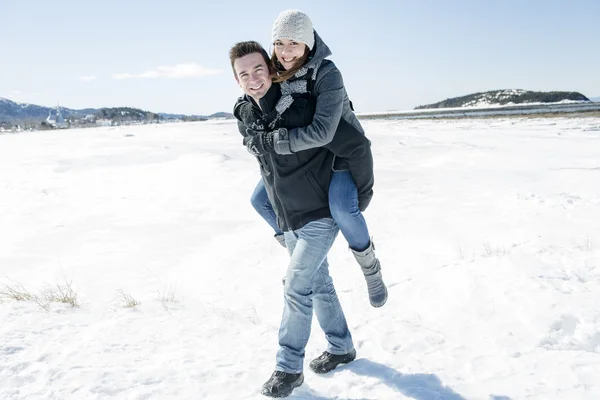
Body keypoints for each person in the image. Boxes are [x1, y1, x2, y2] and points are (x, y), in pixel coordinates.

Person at [230, 41, 365, 398]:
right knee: (318, 283)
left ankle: (288, 369)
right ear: (236, 80)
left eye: (259, 69)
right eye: (243, 74)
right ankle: (342, 347)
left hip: (320, 211)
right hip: (289, 216)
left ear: (271, 69)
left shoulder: (299, 105)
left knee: (295, 285)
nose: (253, 78)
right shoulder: (246, 113)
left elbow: (334, 132)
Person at [248, 9, 387, 308]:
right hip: (302, 159)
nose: (285, 52)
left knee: (342, 208)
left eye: (293, 44)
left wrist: (278, 143)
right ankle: (300, 261)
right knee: (260, 200)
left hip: (338, 152)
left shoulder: (326, 73)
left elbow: (324, 131)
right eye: (279, 43)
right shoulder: (274, 73)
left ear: (308, 44)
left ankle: (370, 268)